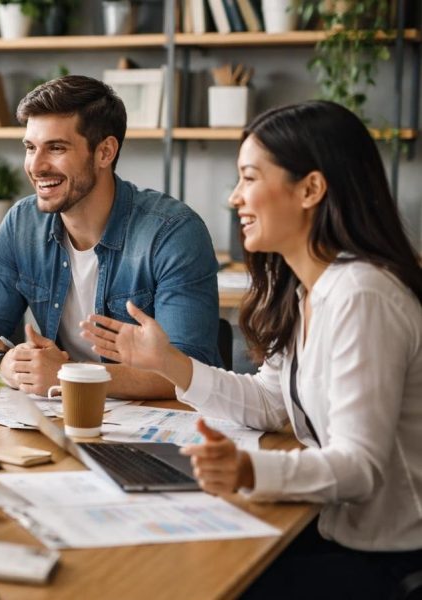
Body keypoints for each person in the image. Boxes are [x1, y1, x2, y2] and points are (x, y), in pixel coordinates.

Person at [82, 100, 422, 597]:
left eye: (249, 177)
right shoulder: (309, 291)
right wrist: (169, 363)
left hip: (389, 559)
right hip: (337, 530)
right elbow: (270, 401)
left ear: (310, 189)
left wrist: (246, 468)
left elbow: (358, 468)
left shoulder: (363, 295)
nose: (234, 197)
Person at [0, 75, 221, 400]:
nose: (36, 166)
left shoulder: (173, 232)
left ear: (105, 152)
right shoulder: (21, 224)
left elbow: (190, 368)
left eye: (56, 148)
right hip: (64, 413)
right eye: (30, 148)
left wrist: (68, 375)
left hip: (159, 420)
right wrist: (3, 364)